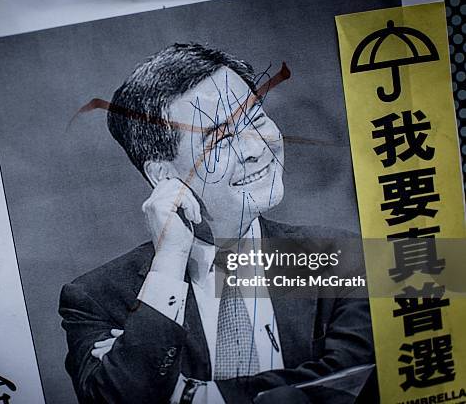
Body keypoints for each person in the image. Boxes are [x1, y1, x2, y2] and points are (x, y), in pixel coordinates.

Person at [59, 43, 374, 404]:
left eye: (254, 119)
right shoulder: (97, 297)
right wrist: (169, 262)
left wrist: (190, 396)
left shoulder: (344, 257)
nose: (256, 149)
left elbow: (356, 381)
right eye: (220, 139)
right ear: (163, 175)